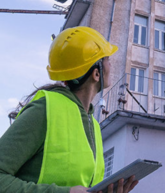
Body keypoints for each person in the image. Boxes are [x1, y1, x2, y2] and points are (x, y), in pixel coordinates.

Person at [0, 26, 138, 193]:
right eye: (107, 59)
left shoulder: (93, 124)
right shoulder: (44, 110)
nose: (111, 64)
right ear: (96, 73)